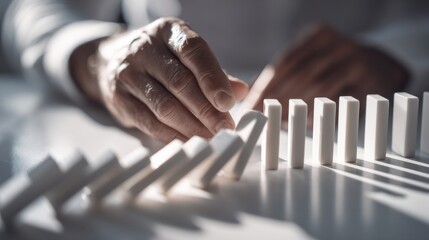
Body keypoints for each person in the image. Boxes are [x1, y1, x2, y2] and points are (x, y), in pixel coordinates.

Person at [3, 0, 429, 142]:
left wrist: (400, 52)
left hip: (378, 114)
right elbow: (28, 9)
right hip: (143, 122)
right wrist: (99, 56)